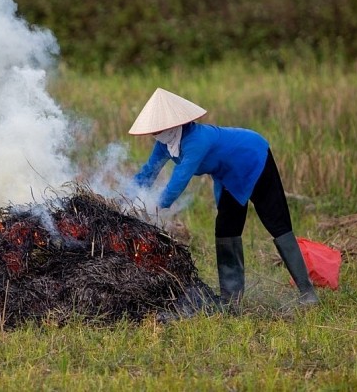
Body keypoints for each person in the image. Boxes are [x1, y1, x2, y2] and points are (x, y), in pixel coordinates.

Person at [128, 88, 319, 310]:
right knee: (226, 228)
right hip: (229, 175)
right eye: (154, 130)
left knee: (276, 222)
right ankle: (231, 300)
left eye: (159, 128)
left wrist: (156, 207)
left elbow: (179, 180)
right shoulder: (164, 145)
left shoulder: (196, 140)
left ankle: (308, 293)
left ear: (173, 124)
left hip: (254, 158)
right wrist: (126, 198)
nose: (155, 134)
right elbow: (148, 171)